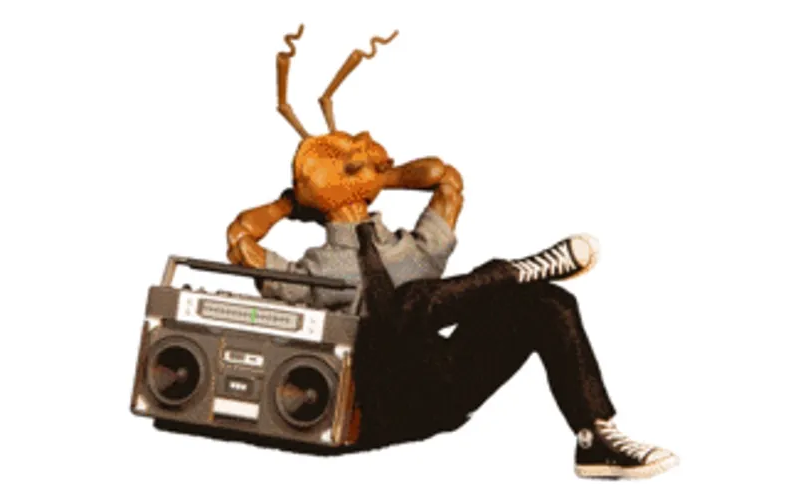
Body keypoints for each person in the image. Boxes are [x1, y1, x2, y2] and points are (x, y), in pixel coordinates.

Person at [226, 150, 678, 479]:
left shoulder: (413, 248)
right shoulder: (310, 273)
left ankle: (593, 439)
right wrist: (292, 202)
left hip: (441, 390)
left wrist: (378, 179)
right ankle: (513, 272)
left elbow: (446, 180)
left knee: (547, 302)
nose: (364, 157)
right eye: (348, 163)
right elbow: (239, 239)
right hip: (375, 407)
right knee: (410, 302)